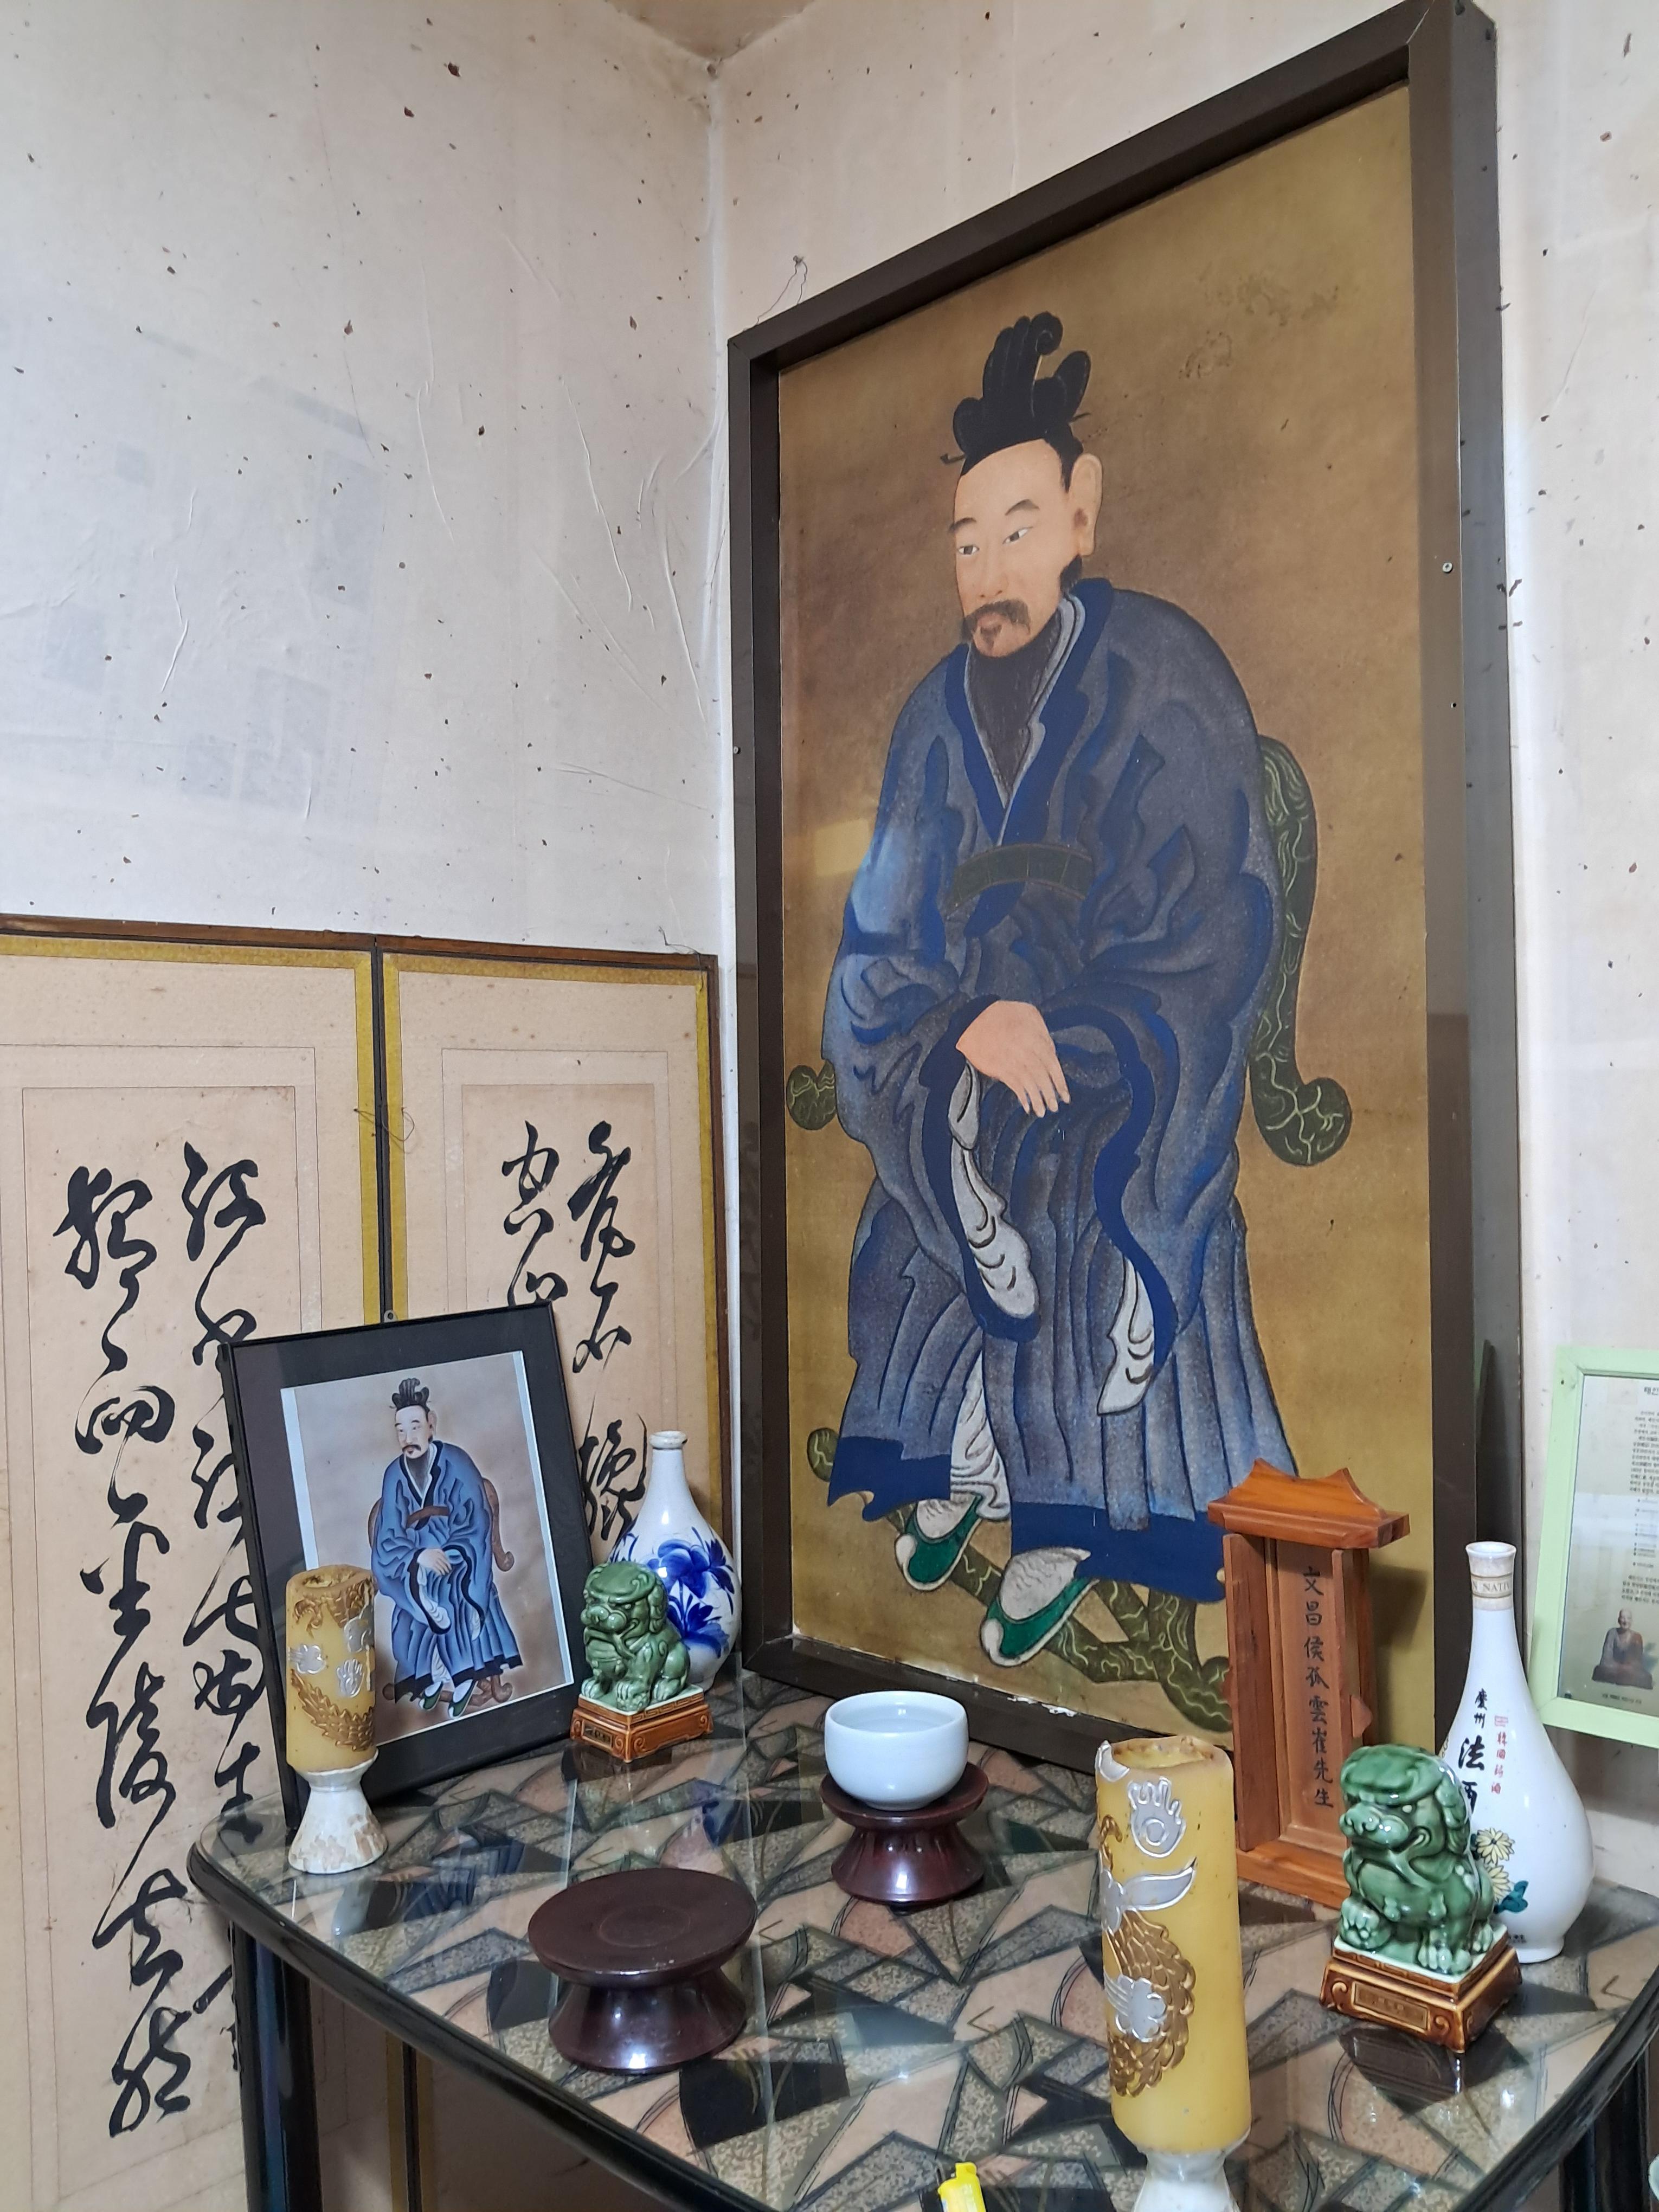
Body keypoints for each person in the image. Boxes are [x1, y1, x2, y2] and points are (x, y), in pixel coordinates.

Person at [823, 311, 1293, 1667]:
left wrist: (1075, 1028)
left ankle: (1066, 1512)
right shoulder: (932, 719)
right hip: (964, 1044)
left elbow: (1210, 917)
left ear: (1082, 515)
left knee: (1062, 1164)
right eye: (967, 542)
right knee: (943, 1143)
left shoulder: (1165, 674)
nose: (989, 571)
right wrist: (953, 1026)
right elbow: (881, 939)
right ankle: (956, 1453)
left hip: (1125, 1050)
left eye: (1018, 531)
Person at [370, 1376, 520, 1712]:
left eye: (415, 1427)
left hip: (458, 1548)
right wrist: (418, 1556)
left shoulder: (457, 1461)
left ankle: (463, 1675)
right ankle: (433, 1676)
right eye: (400, 1430)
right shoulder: (394, 1475)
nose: (408, 1438)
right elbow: (389, 1535)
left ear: (431, 1425)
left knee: (448, 1586)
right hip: (415, 1553)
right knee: (416, 1591)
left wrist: (449, 1553)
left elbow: (475, 1519)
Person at [1592, 1608, 1652, 1690]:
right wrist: (1618, 1667)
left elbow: (1638, 1661)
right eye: (1623, 1618)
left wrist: (1627, 1668)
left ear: (1631, 1621)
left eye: (1628, 1618)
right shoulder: (1612, 1633)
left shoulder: (1637, 1637)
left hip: (1630, 1670)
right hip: (1612, 1668)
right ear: (1619, 1620)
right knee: (1600, 1670)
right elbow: (1606, 1657)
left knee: (1646, 1677)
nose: (1625, 1621)